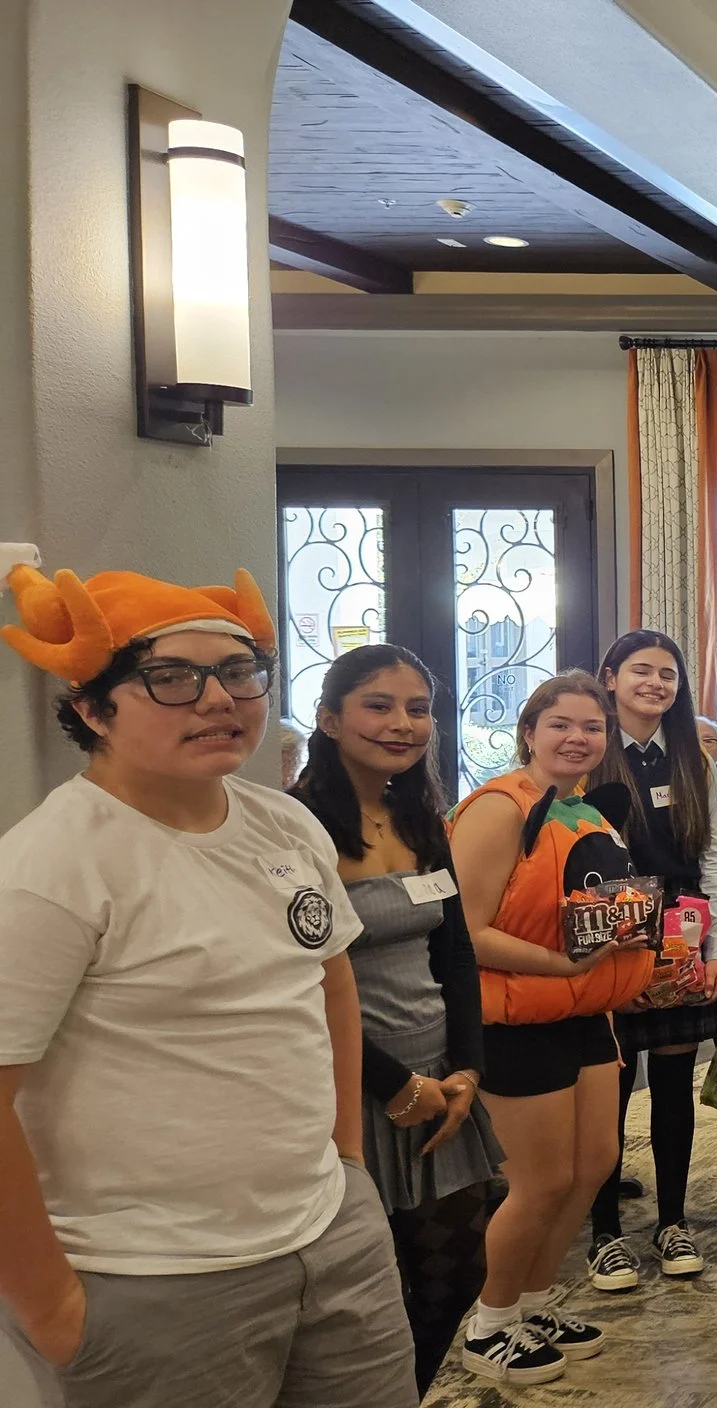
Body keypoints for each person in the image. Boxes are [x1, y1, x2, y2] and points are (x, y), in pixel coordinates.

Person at [0, 564, 414, 1407]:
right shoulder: (52, 865)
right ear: (91, 709)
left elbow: (328, 979)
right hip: (152, 1276)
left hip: (330, 1238)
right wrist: (51, 1307)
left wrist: (345, 1163)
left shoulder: (283, 821)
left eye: (237, 672)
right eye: (171, 678)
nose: (218, 699)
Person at [291, 645, 503, 1393]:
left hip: (441, 1088)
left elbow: (456, 955)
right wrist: (394, 1085)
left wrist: (467, 1068)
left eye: (418, 709)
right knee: (361, 1298)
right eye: (379, 705)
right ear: (328, 718)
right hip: (354, 1090)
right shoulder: (296, 827)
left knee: (455, 1280)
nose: (402, 723)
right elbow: (299, 981)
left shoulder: (418, 815)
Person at [448, 670, 653, 1384]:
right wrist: (560, 964)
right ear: (528, 732)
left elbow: (593, 916)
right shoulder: (498, 809)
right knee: (538, 1182)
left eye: (591, 727)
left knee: (591, 1167)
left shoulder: (587, 814)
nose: (577, 737)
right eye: (560, 724)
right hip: (516, 1016)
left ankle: (534, 1304)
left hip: (584, 1014)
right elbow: (463, 931)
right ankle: (490, 1323)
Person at [583, 631, 717, 1291]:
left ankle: (672, 1223)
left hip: (680, 936)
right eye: (640, 671)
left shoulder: (690, 759)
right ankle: (604, 1235)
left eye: (667, 674)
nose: (655, 684)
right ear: (610, 677)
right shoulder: (586, 750)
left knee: (674, 1085)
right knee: (606, 1086)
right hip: (606, 937)